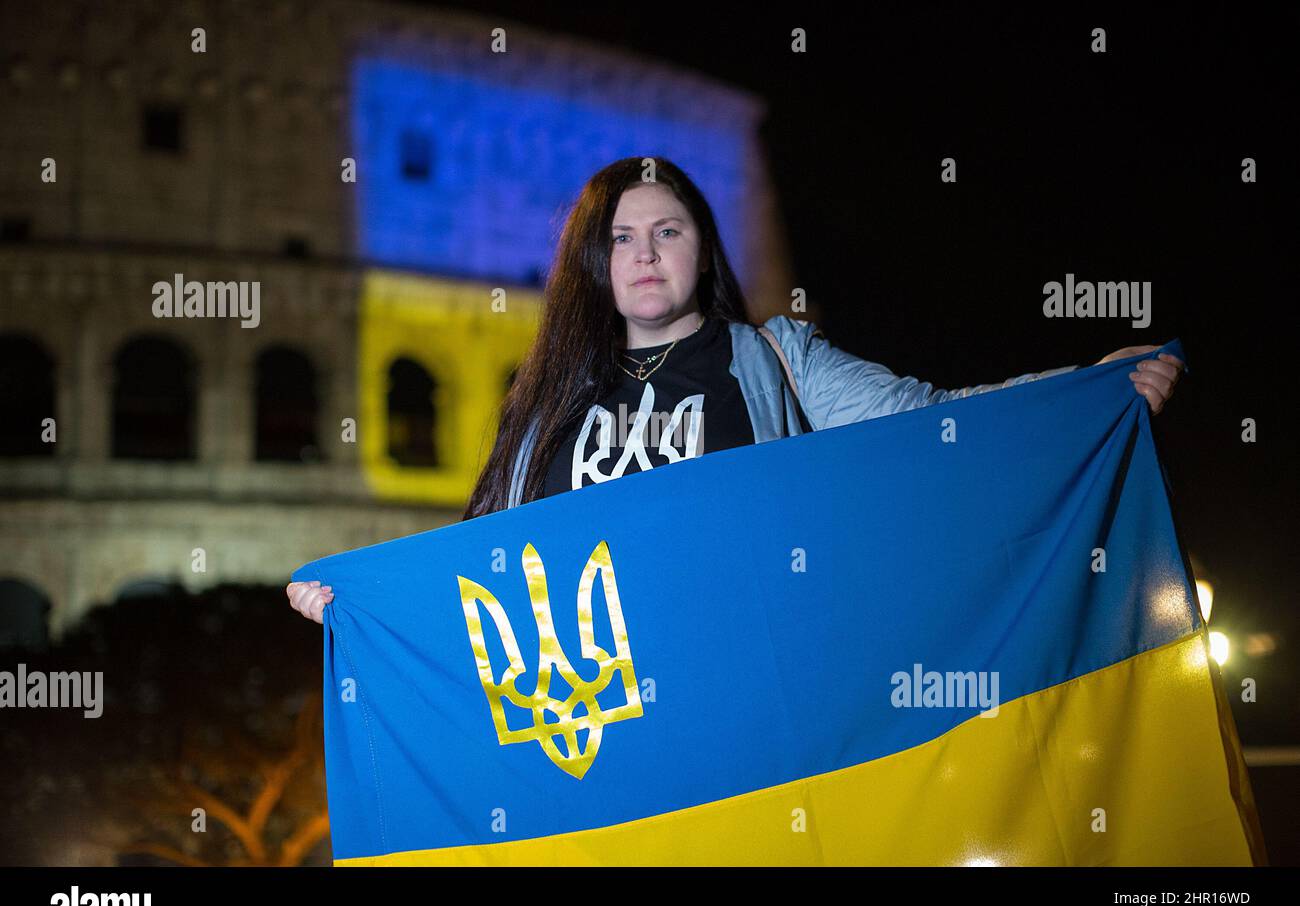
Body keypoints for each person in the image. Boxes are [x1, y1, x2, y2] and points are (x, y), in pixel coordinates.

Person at [287, 156, 1183, 624]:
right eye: (621, 236)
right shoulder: (545, 400)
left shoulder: (774, 356)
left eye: (667, 231)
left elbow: (928, 421)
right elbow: (478, 564)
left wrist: (1084, 389)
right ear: (590, 264)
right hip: (601, 701)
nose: (643, 253)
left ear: (701, 249)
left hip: (747, 654)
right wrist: (362, 601)